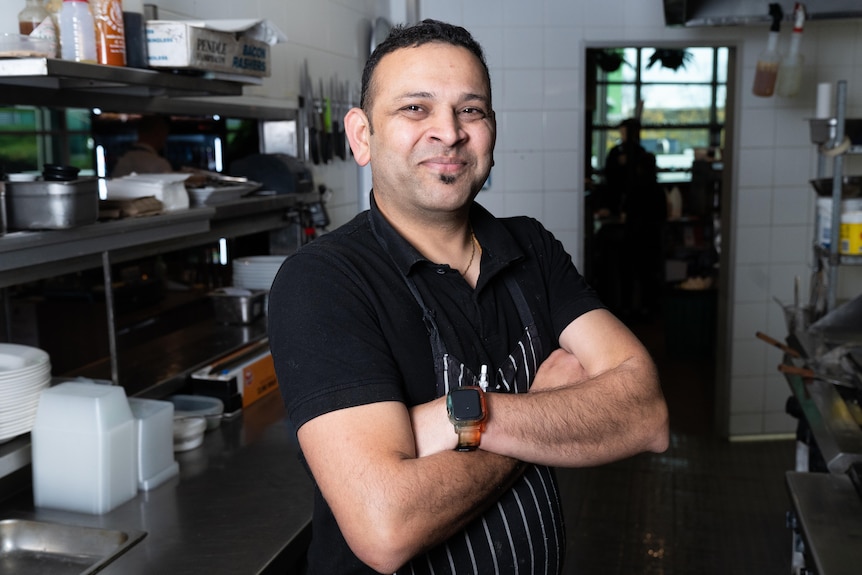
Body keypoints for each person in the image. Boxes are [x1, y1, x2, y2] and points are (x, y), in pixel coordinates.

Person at [268, 20, 668, 575]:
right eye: (415, 109)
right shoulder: (324, 280)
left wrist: (469, 417)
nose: (449, 132)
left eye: (471, 110)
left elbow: (645, 415)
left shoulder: (531, 246)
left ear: (492, 131)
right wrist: (541, 408)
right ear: (362, 136)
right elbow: (386, 526)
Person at [601, 118, 667, 321]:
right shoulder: (656, 189)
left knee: (628, 272)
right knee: (646, 273)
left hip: (633, 233)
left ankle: (627, 309)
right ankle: (647, 309)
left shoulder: (637, 188)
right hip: (650, 237)